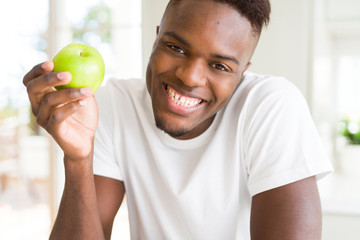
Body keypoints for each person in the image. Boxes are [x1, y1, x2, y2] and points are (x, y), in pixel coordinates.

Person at [23, 0, 333, 239]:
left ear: (243, 71)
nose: (189, 76)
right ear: (156, 38)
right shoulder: (114, 105)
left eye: (220, 66)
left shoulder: (269, 106)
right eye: (176, 48)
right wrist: (78, 159)